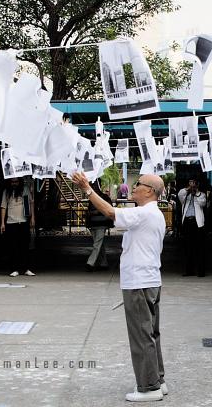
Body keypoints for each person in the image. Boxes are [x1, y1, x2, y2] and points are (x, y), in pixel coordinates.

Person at [71, 171, 167, 402]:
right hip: (150, 279)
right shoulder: (154, 214)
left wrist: (87, 189)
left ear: (150, 191)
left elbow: (109, 212)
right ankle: (158, 380)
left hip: (139, 282)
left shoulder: (144, 213)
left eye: (138, 184)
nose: (133, 187)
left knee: (141, 335)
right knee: (151, 333)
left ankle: (149, 387)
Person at [0, 177, 35, 277]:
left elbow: (31, 203)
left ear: (19, 182)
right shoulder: (6, 192)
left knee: (25, 246)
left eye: (16, 182)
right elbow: (3, 207)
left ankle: (26, 268)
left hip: (23, 221)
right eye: (12, 182)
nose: (14, 184)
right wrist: (2, 223)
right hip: (11, 222)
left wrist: (32, 218)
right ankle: (14, 269)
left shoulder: (25, 189)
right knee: (13, 247)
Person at [178, 178, 207, 277]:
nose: (192, 185)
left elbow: (203, 203)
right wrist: (188, 189)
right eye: (190, 183)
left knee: (199, 248)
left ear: (197, 185)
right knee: (187, 248)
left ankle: (201, 271)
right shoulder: (186, 195)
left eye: (194, 183)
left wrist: (196, 193)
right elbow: (179, 195)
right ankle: (189, 270)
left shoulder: (201, 194)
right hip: (187, 222)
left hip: (197, 223)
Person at [85, 180, 114, 272]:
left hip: (101, 224)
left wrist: (96, 212)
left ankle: (90, 263)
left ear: (99, 185)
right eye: (92, 185)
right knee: (99, 245)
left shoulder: (104, 197)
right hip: (93, 224)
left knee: (97, 244)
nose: (93, 187)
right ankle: (104, 263)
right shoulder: (91, 198)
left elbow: (109, 209)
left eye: (94, 185)